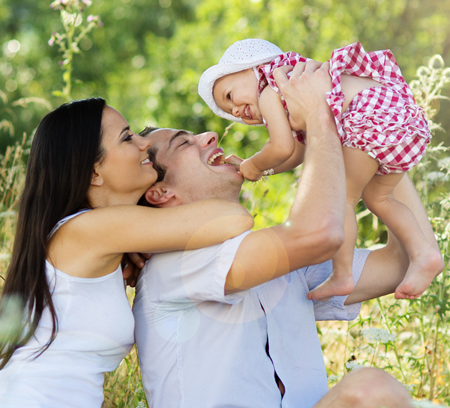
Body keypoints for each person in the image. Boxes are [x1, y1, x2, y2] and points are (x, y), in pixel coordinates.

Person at [133, 60, 439, 407]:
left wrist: (376, 129)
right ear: (160, 194)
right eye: (184, 143)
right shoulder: (176, 266)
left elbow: (400, 263)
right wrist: (319, 117)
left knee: (376, 392)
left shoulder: (277, 259)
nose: (211, 134)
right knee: (368, 390)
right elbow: (317, 234)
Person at [0, 98, 253, 408]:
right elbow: (232, 217)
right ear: (94, 173)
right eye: (127, 137)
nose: (144, 143)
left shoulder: (95, 240)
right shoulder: (89, 230)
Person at [198, 38, 443, 301]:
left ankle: (343, 275)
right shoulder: (297, 83)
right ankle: (425, 253)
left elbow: (280, 147)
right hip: (400, 117)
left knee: (344, 199)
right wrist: (263, 170)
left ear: (251, 69)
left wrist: (253, 165)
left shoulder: (271, 90)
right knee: (379, 198)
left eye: (229, 96)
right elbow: (297, 152)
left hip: (370, 119)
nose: (235, 110)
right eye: (230, 112)